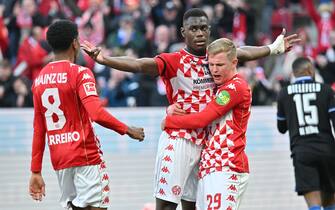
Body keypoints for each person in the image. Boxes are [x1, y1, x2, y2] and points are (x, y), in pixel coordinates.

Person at [81, 8, 300, 210]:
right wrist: (104, 60)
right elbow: (139, 64)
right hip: (180, 137)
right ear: (183, 32)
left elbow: (242, 52)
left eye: (203, 28)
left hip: (205, 145)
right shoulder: (174, 61)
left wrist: (273, 48)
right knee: (166, 205)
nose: (199, 33)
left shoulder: (215, 57)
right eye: (193, 29)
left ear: (209, 30)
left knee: (192, 206)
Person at [28, 20, 145, 210]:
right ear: (75, 43)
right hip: (85, 155)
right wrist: (127, 129)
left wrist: (35, 170)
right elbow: (96, 113)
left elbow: (39, 129)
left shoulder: (39, 80)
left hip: (60, 160)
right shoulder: (81, 73)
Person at [161, 38, 251, 210]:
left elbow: (202, 119)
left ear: (234, 63)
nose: (214, 70)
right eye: (211, 65)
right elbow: (194, 109)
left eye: (220, 65)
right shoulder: (218, 87)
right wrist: (171, 109)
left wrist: (169, 122)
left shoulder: (235, 88)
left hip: (227, 165)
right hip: (210, 166)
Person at [276, 57, 335, 210]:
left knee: (314, 203)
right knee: (330, 200)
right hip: (327, 150)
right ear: (310, 70)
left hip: (302, 152)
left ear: (294, 73)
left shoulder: (284, 93)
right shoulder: (326, 90)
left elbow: (281, 128)